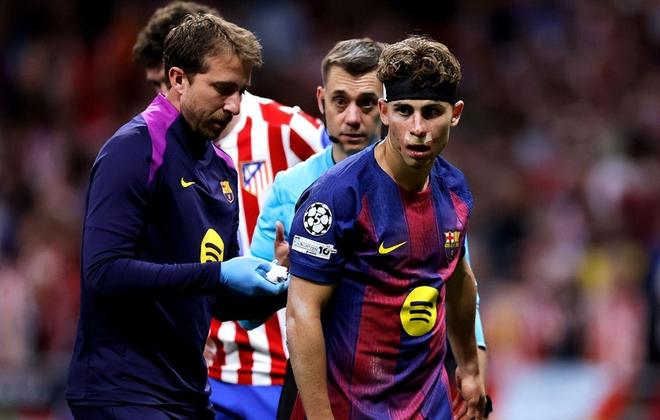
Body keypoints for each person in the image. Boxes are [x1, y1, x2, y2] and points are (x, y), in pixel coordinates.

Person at [250, 38, 491, 419]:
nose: (418, 128)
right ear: (385, 111)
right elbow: (301, 313)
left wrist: (470, 368)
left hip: (426, 404)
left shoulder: (455, 190)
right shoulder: (335, 196)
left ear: (455, 113)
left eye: (431, 112)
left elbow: (459, 278)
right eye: (404, 111)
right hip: (348, 405)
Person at [66, 14, 288, 419]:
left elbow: (215, 297)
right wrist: (217, 275)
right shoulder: (135, 149)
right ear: (178, 79)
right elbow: (103, 272)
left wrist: (277, 286)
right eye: (223, 89)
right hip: (124, 391)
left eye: (241, 92)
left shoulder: (221, 169)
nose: (235, 106)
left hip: (187, 393)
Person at [132, 3, 326, 419]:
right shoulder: (157, 151)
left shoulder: (287, 129)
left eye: (165, 83)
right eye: (155, 85)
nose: (161, 98)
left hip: (279, 369)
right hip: (203, 371)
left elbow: (358, 175)